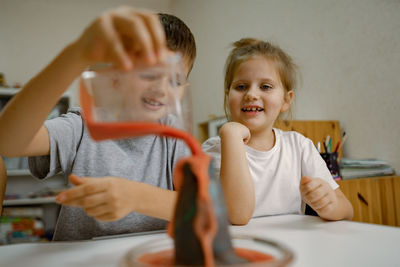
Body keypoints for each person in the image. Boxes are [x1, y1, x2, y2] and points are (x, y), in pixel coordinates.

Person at [0, 6, 196, 241]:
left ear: (184, 89)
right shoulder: (82, 126)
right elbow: (9, 142)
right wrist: (78, 54)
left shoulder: (176, 135)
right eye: (149, 73)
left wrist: (136, 197)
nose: (161, 88)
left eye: (174, 80)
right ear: (116, 76)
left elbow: (200, 205)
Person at [202, 38, 353, 225]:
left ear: (286, 100)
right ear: (228, 96)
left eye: (265, 86)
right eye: (241, 87)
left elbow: (347, 210)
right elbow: (236, 214)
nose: (251, 94)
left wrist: (329, 205)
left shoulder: (299, 146)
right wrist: (231, 136)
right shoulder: (212, 150)